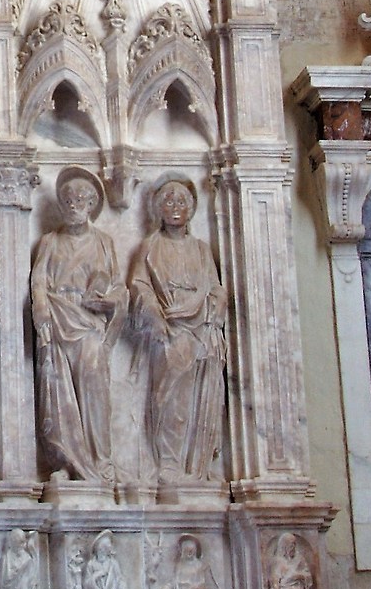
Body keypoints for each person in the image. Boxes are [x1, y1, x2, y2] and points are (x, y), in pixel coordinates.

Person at [30, 169, 127, 483]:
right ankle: (65, 461)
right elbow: (39, 280)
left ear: (92, 204)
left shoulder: (104, 242)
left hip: (88, 323)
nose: (73, 205)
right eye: (68, 200)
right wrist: (41, 306)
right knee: (55, 386)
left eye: (81, 199)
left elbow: (117, 286)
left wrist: (107, 300)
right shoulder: (49, 241)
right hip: (58, 320)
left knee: (93, 377)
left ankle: (100, 459)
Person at [129, 180, 227, 483]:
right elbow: (139, 286)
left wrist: (210, 306)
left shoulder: (200, 249)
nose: (175, 207)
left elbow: (215, 288)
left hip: (200, 328)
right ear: (157, 208)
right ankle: (170, 462)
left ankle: (195, 465)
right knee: (169, 399)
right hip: (169, 330)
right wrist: (155, 313)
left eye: (181, 201)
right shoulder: (150, 246)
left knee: (201, 398)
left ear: (192, 209)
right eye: (168, 201)